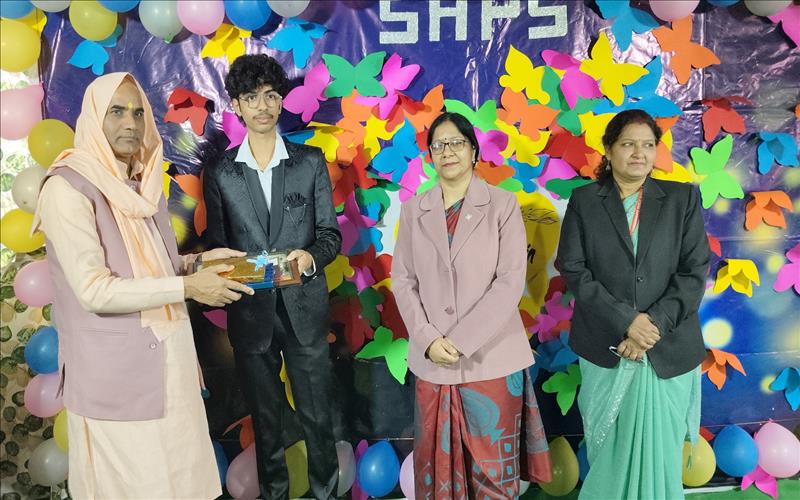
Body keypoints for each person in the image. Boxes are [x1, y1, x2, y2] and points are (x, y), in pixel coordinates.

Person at [34, 72, 253, 499]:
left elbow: (151, 267)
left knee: (181, 487)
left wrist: (199, 263)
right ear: (93, 118)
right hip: (115, 381)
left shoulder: (140, 185)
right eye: (116, 111)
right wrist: (189, 288)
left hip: (170, 368)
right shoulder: (66, 190)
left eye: (138, 113)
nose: (130, 123)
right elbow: (94, 290)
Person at [391, 112, 552, 499]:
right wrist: (428, 339)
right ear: (430, 156)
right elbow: (403, 280)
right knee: (438, 471)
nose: (447, 151)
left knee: (493, 475)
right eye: (438, 145)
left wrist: (460, 341)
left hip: (492, 360)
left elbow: (510, 281)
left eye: (457, 143)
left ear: (475, 152)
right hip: (433, 360)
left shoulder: (503, 205)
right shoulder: (414, 210)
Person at [203, 54, 341, 499]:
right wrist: (224, 268)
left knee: (318, 416)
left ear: (281, 100)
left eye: (270, 95)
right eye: (251, 97)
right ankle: (274, 493)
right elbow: (218, 245)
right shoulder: (220, 171)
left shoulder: (309, 161)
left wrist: (309, 257)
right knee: (265, 420)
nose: (262, 106)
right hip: (250, 313)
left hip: (304, 309)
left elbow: (330, 236)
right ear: (236, 106)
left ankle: (325, 492)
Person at [557, 109, 710, 499]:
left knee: (661, 453)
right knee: (611, 451)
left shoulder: (681, 198)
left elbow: (694, 271)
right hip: (606, 344)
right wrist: (627, 321)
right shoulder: (585, 201)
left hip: (667, 345)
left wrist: (650, 326)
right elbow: (573, 268)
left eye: (647, 145)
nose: (639, 153)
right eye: (628, 144)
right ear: (609, 150)